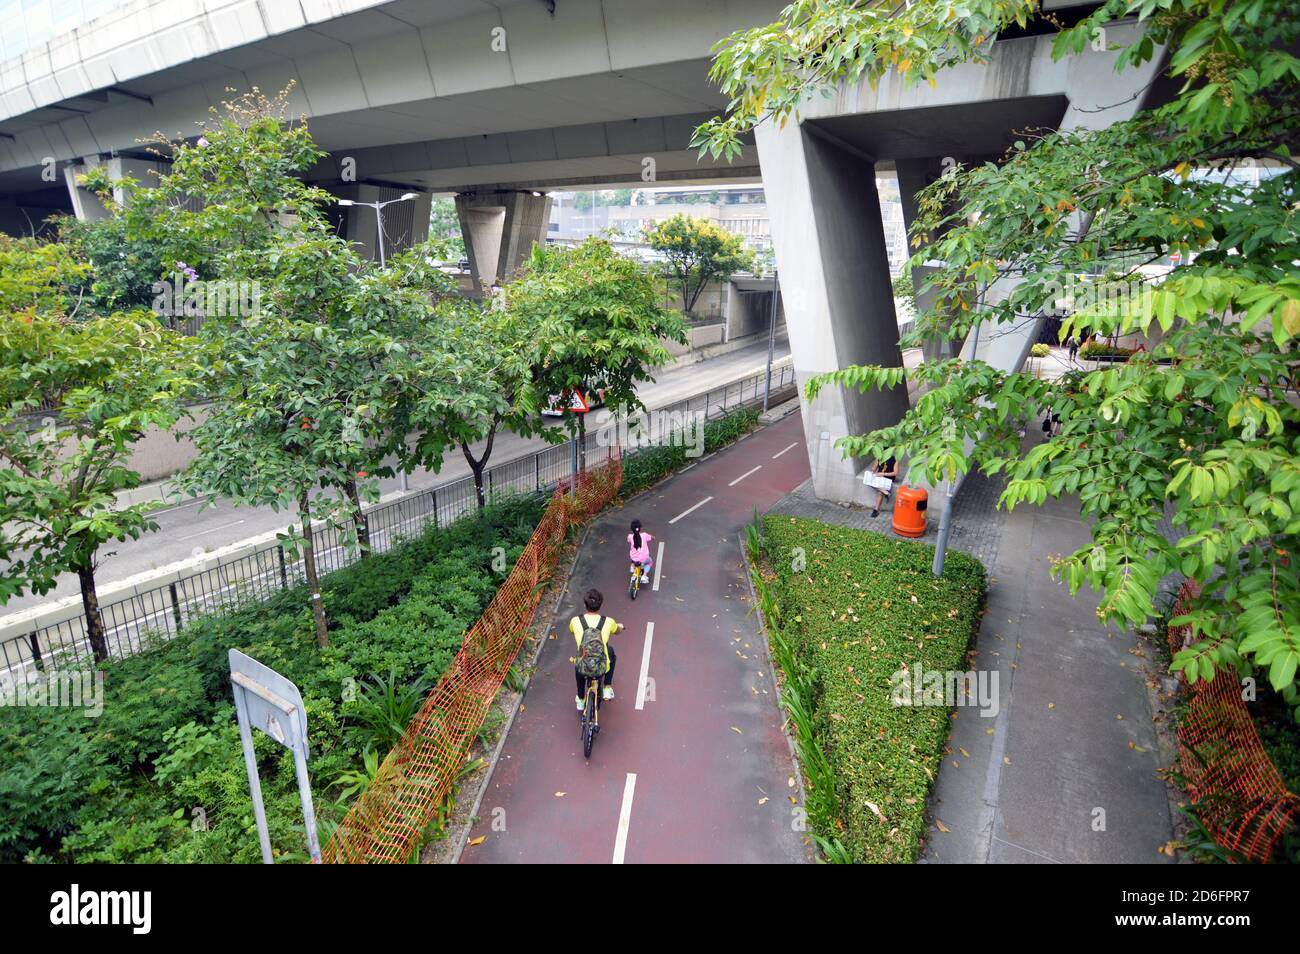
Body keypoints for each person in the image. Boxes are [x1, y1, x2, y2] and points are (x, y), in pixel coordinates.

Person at [571, 588, 622, 710]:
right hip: (602, 666)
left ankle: (581, 699)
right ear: (600, 605)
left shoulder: (575, 620)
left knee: (579, 663)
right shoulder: (609, 621)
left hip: (583, 663)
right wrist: (620, 627)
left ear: (585, 604)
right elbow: (617, 631)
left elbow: (571, 630)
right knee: (610, 651)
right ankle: (607, 688)